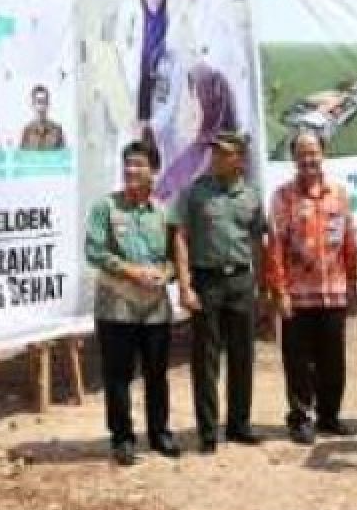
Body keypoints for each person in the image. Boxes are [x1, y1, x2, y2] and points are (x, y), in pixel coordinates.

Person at [84, 140, 179, 465]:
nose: (130, 170)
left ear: (154, 170)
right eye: (127, 164)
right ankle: (122, 439)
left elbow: (174, 257)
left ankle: (160, 433)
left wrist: (167, 274)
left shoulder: (164, 212)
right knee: (118, 375)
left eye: (138, 164)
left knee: (157, 374)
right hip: (116, 305)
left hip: (155, 308)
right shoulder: (105, 208)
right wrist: (132, 272)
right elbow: (94, 252)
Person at [172, 131, 267, 453]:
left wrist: (262, 286)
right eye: (214, 153)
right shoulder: (196, 193)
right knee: (206, 360)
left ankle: (239, 425)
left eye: (223, 153)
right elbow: (181, 238)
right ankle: (208, 432)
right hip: (207, 282)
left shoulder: (252, 195)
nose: (215, 158)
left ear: (239, 159)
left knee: (243, 356)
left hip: (241, 281)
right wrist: (185, 285)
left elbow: (257, 242)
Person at [268, 131, 357, 445]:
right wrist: (279, 292)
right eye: (302, 154)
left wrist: (353, 281)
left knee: (333, 359)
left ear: (323, 154)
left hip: (333, 291)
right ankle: (300, 419)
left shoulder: (339, 194)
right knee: (298, 361)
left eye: (313, 153)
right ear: (294, 159)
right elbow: (276, 247)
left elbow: (350, 241)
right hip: (297, 296)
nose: (308, 159)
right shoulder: (283, 197)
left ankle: (329, 416)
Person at [155, 61, 240, 201]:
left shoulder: (217, 154)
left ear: (210, 102)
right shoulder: (198, 147)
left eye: (197, 97)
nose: (192, 105)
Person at [133, 0, 183, 163]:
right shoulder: (134, 30)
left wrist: (149, 127)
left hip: (160, 143)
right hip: (132, 142)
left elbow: (171, 99)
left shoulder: (174, 36)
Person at [19, 85, 66, 151]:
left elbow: (63, 157)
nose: (42, 106)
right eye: (39, 102)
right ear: (33, 105)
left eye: (44, 102)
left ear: (48, 104)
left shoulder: (57, 131)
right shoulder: (27, 131)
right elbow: (23, 158)